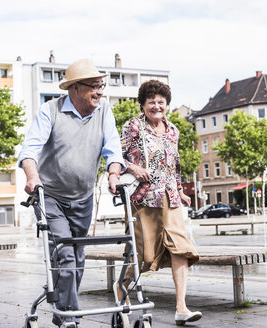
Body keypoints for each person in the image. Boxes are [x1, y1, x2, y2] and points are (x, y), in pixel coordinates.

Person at [18, 58, 125, 326]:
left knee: (76, 257)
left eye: (102, 86)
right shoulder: (50, 111)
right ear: (75, 88)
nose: (100, 92)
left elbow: (113, 148)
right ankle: (69, 319)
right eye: (95, 87)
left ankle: (62, 307)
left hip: (83, 197)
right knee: (65, 253)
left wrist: (113, 173)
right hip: (51, 196)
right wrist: (32, 177)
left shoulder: (104, 111)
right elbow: (30, 149)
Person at [120, 80, 202, 326]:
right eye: (151, 102)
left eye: (161, 102)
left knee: (181, 248)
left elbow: (174, 165)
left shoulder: (173, 130)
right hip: (143, 197)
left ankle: (181, 308)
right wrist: (134, 168)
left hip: (170, 198)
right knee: (142, 254)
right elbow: (117, 157)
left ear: (167, 104)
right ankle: (122, 292)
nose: (156, 106)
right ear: (143, 104)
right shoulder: (133, 126)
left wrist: (180, 190)